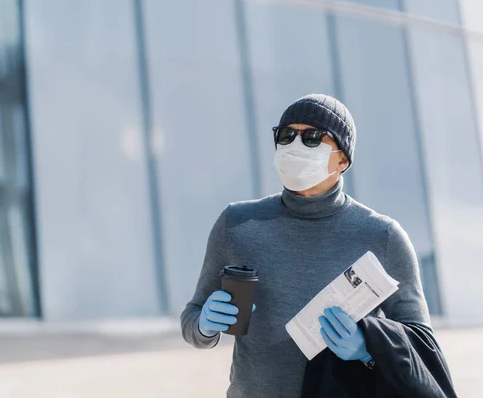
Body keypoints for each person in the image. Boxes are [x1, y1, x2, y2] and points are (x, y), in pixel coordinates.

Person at [181, 94, 455, 397]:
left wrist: (368, 349)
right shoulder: (237, 223)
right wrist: (205, 325)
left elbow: (421, 345)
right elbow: (192, 319)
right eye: (286, 135)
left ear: (343, 159)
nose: (294, 146)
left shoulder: (384, 237)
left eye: (312, 137)